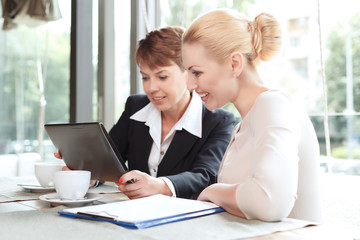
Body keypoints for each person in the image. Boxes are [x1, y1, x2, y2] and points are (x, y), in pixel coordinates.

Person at [57, 26, 235, 200]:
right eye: (145, 77)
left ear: (188, 72)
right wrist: (88, 175)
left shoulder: (218, 121)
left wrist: (160, 186)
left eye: (162, 77)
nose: (151, 88)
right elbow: (108, 161)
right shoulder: (135, 107)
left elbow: (206, 176)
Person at [181, 9, 323, 223]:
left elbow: (270, 202)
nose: (190, 85)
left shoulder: (272, 105)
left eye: (197, 72)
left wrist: (213, 191)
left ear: (234, 64)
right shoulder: (248, 121)